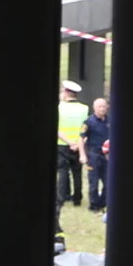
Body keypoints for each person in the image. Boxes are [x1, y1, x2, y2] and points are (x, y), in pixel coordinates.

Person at [57, 80, 89, 208]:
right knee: (77, 173)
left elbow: (57, 129)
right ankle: (77, 199)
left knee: (63, 172)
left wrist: (69, 142)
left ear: (66, 92)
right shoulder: (84, 108)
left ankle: (62, 197)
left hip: (62, 144)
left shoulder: (59, 107)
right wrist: (77, 143)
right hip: (78, 145)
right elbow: (86, 129)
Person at [81, 97, 111, 213]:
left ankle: (103, 203)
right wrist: (82, 155)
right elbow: (81, 139)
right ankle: (94, 205)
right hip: (93, 155)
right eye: (100, 106)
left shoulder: (110, 121)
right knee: (93, 182)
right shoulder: (88, 122)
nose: (102, 109)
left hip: (107, 156)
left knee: (108, 181)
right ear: (94, 108)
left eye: (104, 106)